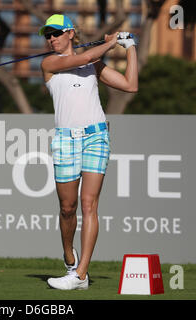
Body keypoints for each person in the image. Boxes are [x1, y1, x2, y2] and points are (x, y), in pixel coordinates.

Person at [39, 14, 138, 290]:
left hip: (96, 137)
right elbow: (78, 60)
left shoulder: (93, 64)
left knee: (89, 205)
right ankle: (69, 255)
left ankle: (81, 274)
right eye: (47, 35)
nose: (51, 39)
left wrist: (130, 48)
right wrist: (110, 43)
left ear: (70, 33)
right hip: (65, 140)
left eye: (56, 33)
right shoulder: (49, 64)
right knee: (67, 208)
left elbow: (131, 85)